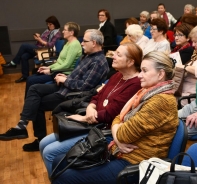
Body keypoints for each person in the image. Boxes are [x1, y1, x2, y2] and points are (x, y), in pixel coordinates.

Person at [50, 51, 178, 184]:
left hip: (135, 162)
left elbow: (123, 134)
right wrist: (118, 132)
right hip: (119, 150)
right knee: (59, 160)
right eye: (141, 70)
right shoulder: (146, 93)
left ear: (161, 74)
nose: (140, 75)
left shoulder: (161, 101)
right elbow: (118, 118)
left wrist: (117, 132)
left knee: (64, 176)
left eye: (145, 71)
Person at [39, 43, 143, 175]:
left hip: (105, 131)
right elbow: (98, 95)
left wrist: (84, 118)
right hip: (93, 122)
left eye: (118, 54)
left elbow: (111, 114)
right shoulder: (117, 75)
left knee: (49, 152)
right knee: (43, 143)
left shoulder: (135, 84)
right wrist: (90, 106)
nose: (113, 56)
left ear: (130, 62)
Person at [0, 29, 109, 152]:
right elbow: (79, 77)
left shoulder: (98, 62)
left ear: (94, 43)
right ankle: (22, 125)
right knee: (34, 88)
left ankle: (37, 139)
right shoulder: (90, 56)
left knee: (38, 104)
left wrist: (65, 81)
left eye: (84, 41)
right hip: (66, 87)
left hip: (71, 95)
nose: (82, 43)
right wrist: (65, 77)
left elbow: (85, 86)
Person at [24, 22, 82, 96]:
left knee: (31, 80)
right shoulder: (68, 43)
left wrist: (50, 70)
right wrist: (48, 67)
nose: (63, 31)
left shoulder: (74, 45)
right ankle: (29, 102)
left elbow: (67, 65)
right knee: (33, 75)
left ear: (71, 32)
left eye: (65, 30)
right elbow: (59, 62)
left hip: (62, 73)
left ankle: (28, 103)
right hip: (57, 70)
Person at [2, 16, 61, 83]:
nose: (48, 25)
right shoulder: (47, 31)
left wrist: (40, 40)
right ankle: (25, 76)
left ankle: (14, 63)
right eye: (47, 24)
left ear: (55, 24)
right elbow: (43, 40)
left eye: (50, 24)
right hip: (38, 48)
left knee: (24, 45)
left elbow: (51, 45)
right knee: (24, 56)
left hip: (44, 51)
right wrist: (38, 37)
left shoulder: (57, 33)